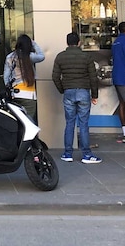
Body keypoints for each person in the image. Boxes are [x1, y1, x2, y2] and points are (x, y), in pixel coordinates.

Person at [52, 32, 101, 164]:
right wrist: (94, 95)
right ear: (79, 42)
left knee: (69, 123)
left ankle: (68, 153)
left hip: (68, 92)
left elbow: (55, 77)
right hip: (83, 92)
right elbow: (93, 77)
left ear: (67, 42)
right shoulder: (87, 57)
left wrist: (63, 89)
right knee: (84, 124)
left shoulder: (60, 57)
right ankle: (86, 155)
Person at [3, 34, 45, 121]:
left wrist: (8, 89)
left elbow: (6, 76)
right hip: (28, 94)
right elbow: (41, 56)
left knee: (17, 120)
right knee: (29, 121)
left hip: (15, 93)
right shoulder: (29, 56)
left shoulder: (10, 57)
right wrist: (34, 44)